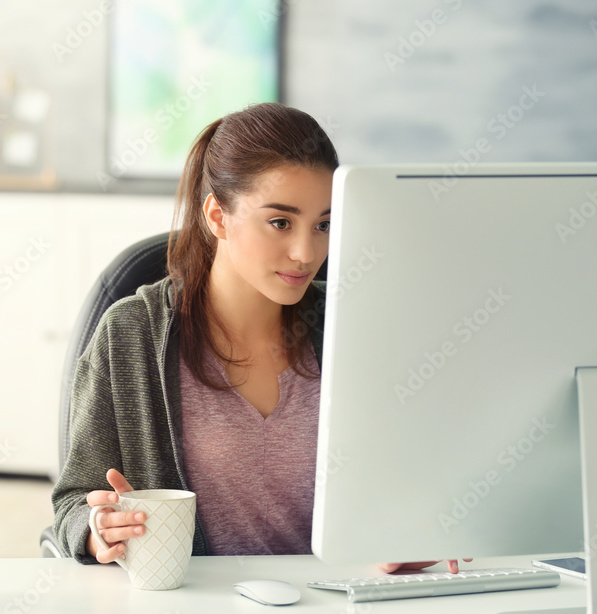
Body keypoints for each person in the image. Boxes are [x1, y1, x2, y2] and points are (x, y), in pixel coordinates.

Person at [50, 102, 465, 573]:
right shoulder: (131, 335)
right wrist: (96, 528)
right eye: (280, 222)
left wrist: (406, 535)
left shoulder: (351, 322)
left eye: (324, 224)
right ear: (217, 216)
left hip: (336, 610)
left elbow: (405, 479)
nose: (306, 252)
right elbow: (71, 505)